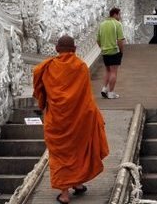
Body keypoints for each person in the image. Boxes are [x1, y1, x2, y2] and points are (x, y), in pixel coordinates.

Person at [33, 35, 109, 204]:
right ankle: (78, 183)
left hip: (57, 121)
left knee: (60, 155)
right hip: (80, 119)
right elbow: (86, 96)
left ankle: (66, 193)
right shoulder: (81, 66)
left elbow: (40, 89)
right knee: (78, 150)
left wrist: (42, 103)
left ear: (57, 50)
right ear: (74, 49)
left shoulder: (47, 67)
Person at [97, 7, 125, 99]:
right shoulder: (117, 24)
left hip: (105, 51)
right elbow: (120, 40)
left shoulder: (102, 24)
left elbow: (98, 40)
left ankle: (104, 89)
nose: (120, 17)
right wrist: (121, 51)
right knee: (113, 72)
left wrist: (103, 48)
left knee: (107, 70)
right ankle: (111, 92)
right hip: (114, 51)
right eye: (119, 14)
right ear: (115, 14)